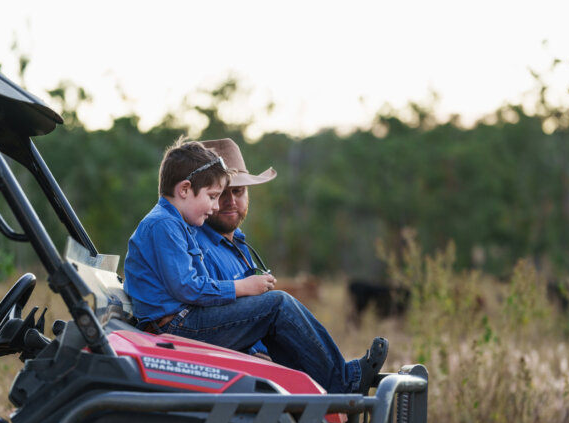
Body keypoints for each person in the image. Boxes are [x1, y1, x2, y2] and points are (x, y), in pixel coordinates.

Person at [124, 138, 388, 394]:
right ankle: (343, 381)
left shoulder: (181, 225)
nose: (218, 205)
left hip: (182, 320)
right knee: (278, 305)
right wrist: (243, 288)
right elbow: (188, 288)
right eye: (214, 196)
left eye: (236, 191)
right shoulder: (165, 225)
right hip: (175, 325)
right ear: (184, 190)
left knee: (275, 307)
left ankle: (318, 385)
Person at [194, 138, 276, 358]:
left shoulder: (238, 242)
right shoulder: (197, 248)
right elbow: (217, 329)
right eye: (220, 194)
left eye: (238, 191)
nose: (230, 201)